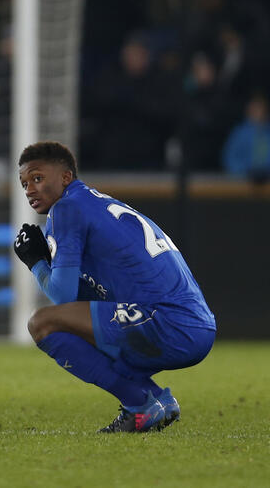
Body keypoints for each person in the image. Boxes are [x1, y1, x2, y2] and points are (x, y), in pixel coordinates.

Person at [13, 141, 216, 433]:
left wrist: (36, 262)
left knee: (42, 323)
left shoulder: (66, 209)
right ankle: (156, 398)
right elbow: (84, 296)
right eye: (24, 184)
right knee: (81, 321)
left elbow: (62, 296)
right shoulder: (96, 203)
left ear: (66, 177)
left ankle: (140, 403)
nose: (30, 189)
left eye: (37, 178)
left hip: (166, 323)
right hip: (198, 326)